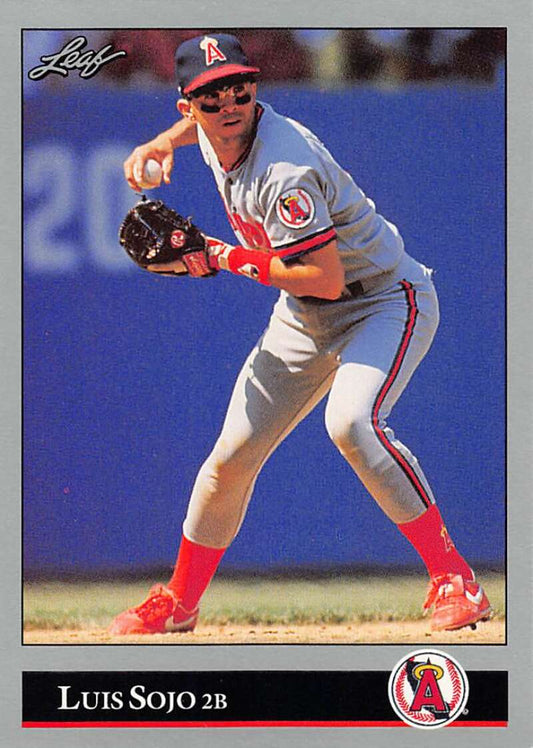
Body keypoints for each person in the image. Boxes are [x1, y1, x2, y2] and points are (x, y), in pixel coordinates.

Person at [109, 33, 491, 636]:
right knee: (228, 460)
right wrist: (161, 140)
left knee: (352, 424)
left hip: (384, 300)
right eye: (211, 95)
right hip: (306, 313)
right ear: (189, 107)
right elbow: (200, 129)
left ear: (254, 87)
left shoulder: (283, 167)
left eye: (240, 85)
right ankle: (180, 600)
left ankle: (455, 580)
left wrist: (221, 256)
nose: (230, 101)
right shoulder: (211, 132)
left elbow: (324, 274)